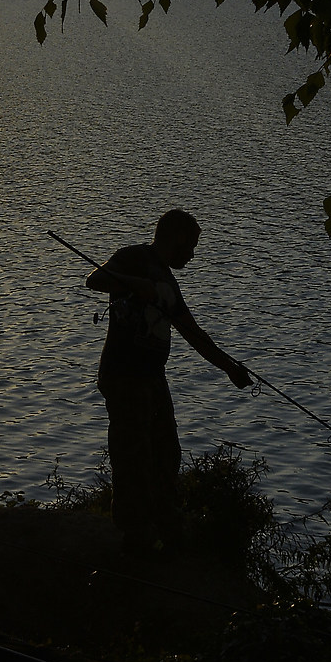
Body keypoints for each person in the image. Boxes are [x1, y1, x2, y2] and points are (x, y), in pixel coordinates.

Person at [84, 209, 251, 556]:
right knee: (132, 456)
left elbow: (193, 334)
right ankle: (135, 536)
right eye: (190, 246)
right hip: (124, 375)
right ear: (174, 238)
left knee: (166, 453)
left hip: (152, 378)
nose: (192, 255)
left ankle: (168, 527)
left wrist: (229, 368)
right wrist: (137, 285)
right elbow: (95, 281)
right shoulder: (135, 257)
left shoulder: (169, 282)